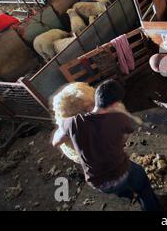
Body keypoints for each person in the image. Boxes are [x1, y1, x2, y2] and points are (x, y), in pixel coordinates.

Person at [52, 79, 160, 211]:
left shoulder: (73, 123)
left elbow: (55, 142)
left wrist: (69, 129)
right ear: (115, 103)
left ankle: (127, 194)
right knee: (141, 180)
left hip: (99, 183)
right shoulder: (120, 119)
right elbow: (123, 141)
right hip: (121, 171)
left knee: (119, 188)